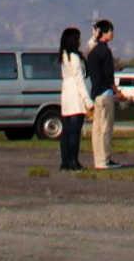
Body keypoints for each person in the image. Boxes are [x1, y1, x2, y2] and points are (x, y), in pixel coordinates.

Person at [85, 20, 120, 170]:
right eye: (110, 31)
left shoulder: (92, 51)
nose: (112, 34)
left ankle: (100, 158)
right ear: (104, 33)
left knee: (97, 129)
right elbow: (108, 75)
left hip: (95, 94)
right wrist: (116, 90)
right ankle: (103, 160)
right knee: (105, 129)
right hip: (105, 93)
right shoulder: (105, 52)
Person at [55, 27, 89, 172]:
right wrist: (88, 100)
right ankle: (73, 161)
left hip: (66, 95)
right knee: (75, 131)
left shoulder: (63, 56)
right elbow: (79, 80)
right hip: (76, 96)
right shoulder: (74, 57)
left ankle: (65, 161)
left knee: (66, 131)